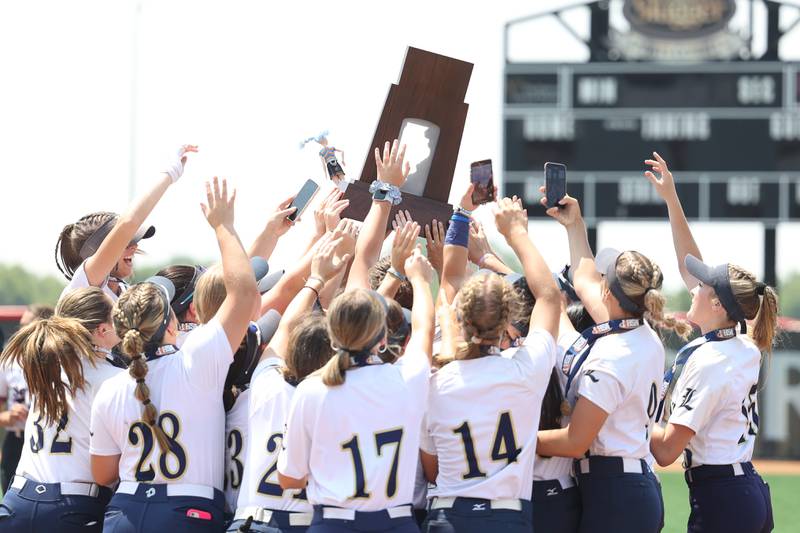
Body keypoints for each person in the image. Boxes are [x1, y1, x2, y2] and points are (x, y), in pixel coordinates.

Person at [89, 177, 257, 532]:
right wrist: (223, 226)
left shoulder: (112, 387)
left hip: (125, 513)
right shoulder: (196, 358)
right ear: (170, 325)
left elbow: (103, 474)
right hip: (188, 512)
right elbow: (244, 295)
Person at [536, 190, 690, 533]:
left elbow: (575, 442)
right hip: (628, 487)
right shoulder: (640, 331)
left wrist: (515, 441)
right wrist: (574, 225)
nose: (598, 282)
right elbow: (584, 278)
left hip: (615, 495)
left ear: (609, 293)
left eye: (605, 279)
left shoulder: (614, 351)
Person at [644, 152, 776, 533]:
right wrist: (672, 198)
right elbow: (690, 261)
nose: (693, 287)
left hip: (724, 500)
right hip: (741, 489)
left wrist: (627, 412)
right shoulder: (741, 343)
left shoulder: (713, 360)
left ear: (718, 304)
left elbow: (667, 450)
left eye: (702, 286)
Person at [420, 197, 561, 533]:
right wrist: (516, 234)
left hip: (448, 516)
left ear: (461, 319)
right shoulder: (526, 369)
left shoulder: (435, 380)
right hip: (507, 517)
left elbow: (431, 469)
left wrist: (463, 212)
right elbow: (549, 296)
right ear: (507, 319)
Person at [229, 233, 349, 533]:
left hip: (248, 521)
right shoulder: (334, 401)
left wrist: (316, 280)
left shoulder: (266, 386)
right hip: (300, 523)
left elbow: (284, 328)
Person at [0, 289, 123, 532]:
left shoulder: (43, 366)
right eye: (115, 319)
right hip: (73, 505)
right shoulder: (116, 378)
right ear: (102, 329)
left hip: (17, 502)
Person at [55, 145, 197, 301]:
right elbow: (127, 223)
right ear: (99, 250)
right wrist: (169, 174)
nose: (134, 247)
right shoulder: (82, 286)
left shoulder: (125, 292)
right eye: (125, 243)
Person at [0, 304, 53, 491]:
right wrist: (8, 416)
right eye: (20, 326)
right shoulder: (9, 361)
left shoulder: (58, 362)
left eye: (26, 326)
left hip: (47, 441)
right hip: (17, 438)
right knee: (9, 500)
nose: (20, 332)